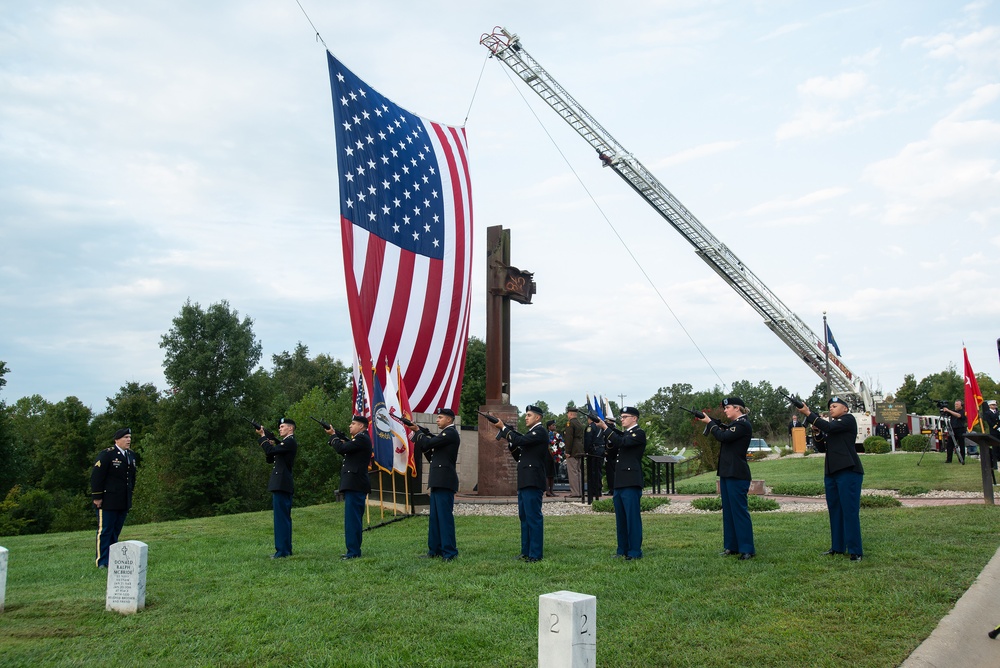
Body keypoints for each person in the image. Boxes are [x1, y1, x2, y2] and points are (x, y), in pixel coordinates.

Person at [798, 396, 864, 561]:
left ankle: (855, 550)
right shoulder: (833, 426)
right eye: (830, 406)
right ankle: (838, 547)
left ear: (845, 409)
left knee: (849, 511)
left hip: (848, 470)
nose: (831, 408)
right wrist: (817, 432)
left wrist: (808, 413)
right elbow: (821, 447)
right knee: (835, 510)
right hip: (832, 471)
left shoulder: (848, 420)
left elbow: (828, 426)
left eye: (835, 406)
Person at [699, 398, 755, 560]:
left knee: (739, 511)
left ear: (737, 408)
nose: (725, 410)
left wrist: (710, 423)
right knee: (729, 512)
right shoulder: (734, 425)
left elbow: (723, 437)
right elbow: (724, 433)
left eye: (728, 407)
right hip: (727, 472)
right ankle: (732, 546)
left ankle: (747, 548)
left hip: (737, 473)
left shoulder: (742, 424)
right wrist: (714, 424)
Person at [496, 405, 548, 562]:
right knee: (524, 517)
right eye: (526, 415)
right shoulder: (531, 433)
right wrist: (510, 440)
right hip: (525, 479)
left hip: (532, 480)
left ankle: (535, 554)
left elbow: (520, 440)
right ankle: (526, 551)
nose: (526, 417)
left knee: (533, 517)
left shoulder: (539, 432)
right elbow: (520, 455)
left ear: (537, 418)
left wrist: (504, 429)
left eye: (529, 415)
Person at [597, 406, 646, 560]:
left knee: (632, 519)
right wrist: (608, 437)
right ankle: (622, 550)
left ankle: (634, 551)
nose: (622, 419)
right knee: (621, 519)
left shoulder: (638, 433)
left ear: (634, 418)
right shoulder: (623, 434)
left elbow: (622, 442)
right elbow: (612, 452)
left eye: (625, 416)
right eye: (622, 416)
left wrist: (606, 428)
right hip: (620, 482)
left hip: (631, 481)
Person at [412, 407, 460, 560]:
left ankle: (449, 552)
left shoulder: (450, 433)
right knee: (435, 518)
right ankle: (435, 550)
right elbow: (431, 447)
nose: (437, 420)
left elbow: (428, 443)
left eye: (440, 417)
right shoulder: (444, 435)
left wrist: (418, 432)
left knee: (444, 518)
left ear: (449, 420)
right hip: (438, 480)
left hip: (445, 480)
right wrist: (421, 434)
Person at [91, 428, 139, 568]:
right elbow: (97, 476)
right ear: (117, 439)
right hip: (107, 500)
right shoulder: (107, 455)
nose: (128, 440)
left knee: (115, 531)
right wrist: (97, 496)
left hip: (122, 500)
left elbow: (131, 478)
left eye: (130, 437)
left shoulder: (131, 455)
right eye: (125, 437)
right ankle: (102, 561)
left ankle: (112, 560)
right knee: (105, 530)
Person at [328, 415, 372, 560]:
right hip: (354, 483)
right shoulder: (359, 439)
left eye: (353, 423)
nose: (350, 426)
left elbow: (341, 449)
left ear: (361, 426)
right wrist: (337, 438)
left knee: (352, 520)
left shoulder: (362, 438)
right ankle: (352, 549)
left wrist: (333, 436)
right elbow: (346, 448)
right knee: (352, 519)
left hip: (355, 483)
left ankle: (353, 551)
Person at [258, 417, 297, 559]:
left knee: (281, 519)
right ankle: (285, 549)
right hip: (281, 483)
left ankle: (282, 551)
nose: (280, 428)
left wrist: (263, 437)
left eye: (282, 426)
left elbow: (270, 451)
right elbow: (270, 457)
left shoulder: (289, 441)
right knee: (283, 518)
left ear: (290, 428)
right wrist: (269, 442)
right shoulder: (285, 443)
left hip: (282, 483)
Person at [562, 405, 586, 500]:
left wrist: (567, 451)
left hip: (573, 449)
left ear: (570, 414)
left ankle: (575, 492)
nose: (567, 415)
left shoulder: (570, 423)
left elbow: (569, 438)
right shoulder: (579, 423)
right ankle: (580, 491)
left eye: (568, 413)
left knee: (572, 472)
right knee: (578, 471)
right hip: (579, 448)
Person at [584, 416, 606, 500]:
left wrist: (586, 451)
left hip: (594, 451)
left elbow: (588, 440)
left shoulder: (591, 427)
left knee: (593, 472)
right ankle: (598, 490)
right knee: (598, 471)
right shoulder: (600, 426)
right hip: (600, 449)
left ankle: (593, 491)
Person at [544, 420, 560, 497]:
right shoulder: (546, 434)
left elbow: (559, 443)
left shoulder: (556, 434)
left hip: (554, 456)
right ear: (549, 427)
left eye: (555, 425)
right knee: (547, 473)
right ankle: (547, 491)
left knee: (552, 474)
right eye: (553, 425)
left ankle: (551, 490)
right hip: (547, 455)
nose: (555, 426)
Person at [983, 399, 1000, 471]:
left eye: (995, 405)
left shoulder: (998, 412)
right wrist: (997, 427)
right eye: (993, 405)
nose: (995, 406)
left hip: (999, 431)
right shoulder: (988, 413)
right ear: (990, 406)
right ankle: (995, 464)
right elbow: (990, 422)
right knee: (994, 447)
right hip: (993, 431)